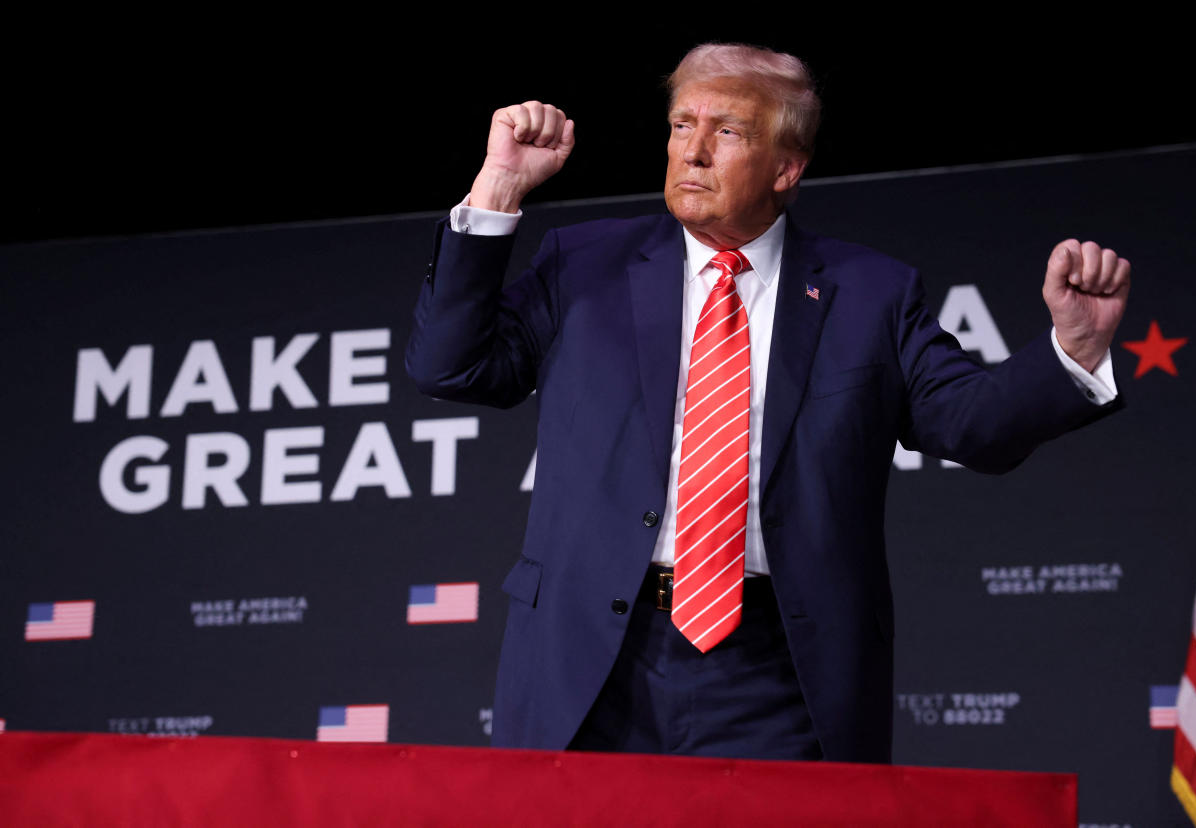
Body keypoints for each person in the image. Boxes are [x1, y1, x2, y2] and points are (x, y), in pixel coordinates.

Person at [407, 43, 1129, 762]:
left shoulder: (869, 293)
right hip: (590, 658)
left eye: (726, 132)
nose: (692, 151)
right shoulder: (583, 265)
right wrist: (498, 188)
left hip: (777, 674)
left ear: (787, 167)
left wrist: (1073, 349)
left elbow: (971, 426)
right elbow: (451, 368)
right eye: (680, 124)